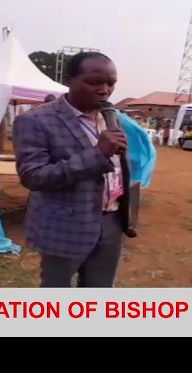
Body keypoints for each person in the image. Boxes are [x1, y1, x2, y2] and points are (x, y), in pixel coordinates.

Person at [12, 51, 134, 288]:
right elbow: (33, 176)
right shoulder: (36, 120)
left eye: (111, 83)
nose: (105, 90)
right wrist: (98, 154)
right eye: (94, 82)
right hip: (65, 225)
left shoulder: (111, 117)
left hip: (111, 221)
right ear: (69, 80)